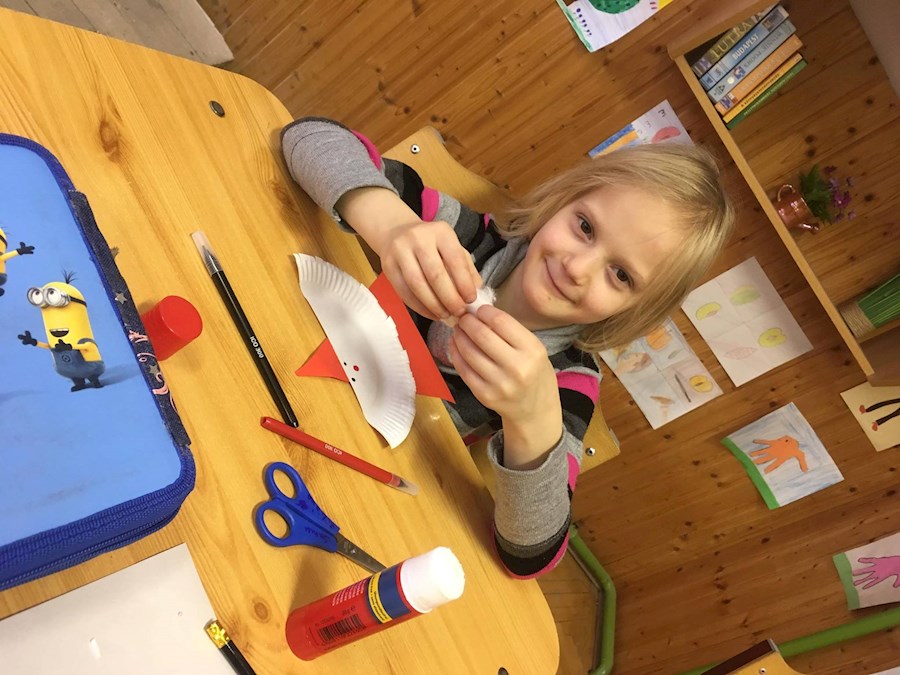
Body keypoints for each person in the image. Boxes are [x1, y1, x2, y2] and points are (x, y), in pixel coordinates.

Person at [281, 117, 735, 578]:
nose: (577, 267)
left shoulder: (565, 383)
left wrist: (533, 423)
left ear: (636, 309)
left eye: (620, 275)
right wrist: (389, 222)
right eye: (584, 226)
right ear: (562, 201)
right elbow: (307, 137)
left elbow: (528, 557)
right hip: (283, 360)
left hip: (348, 471)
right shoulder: (463, 235)